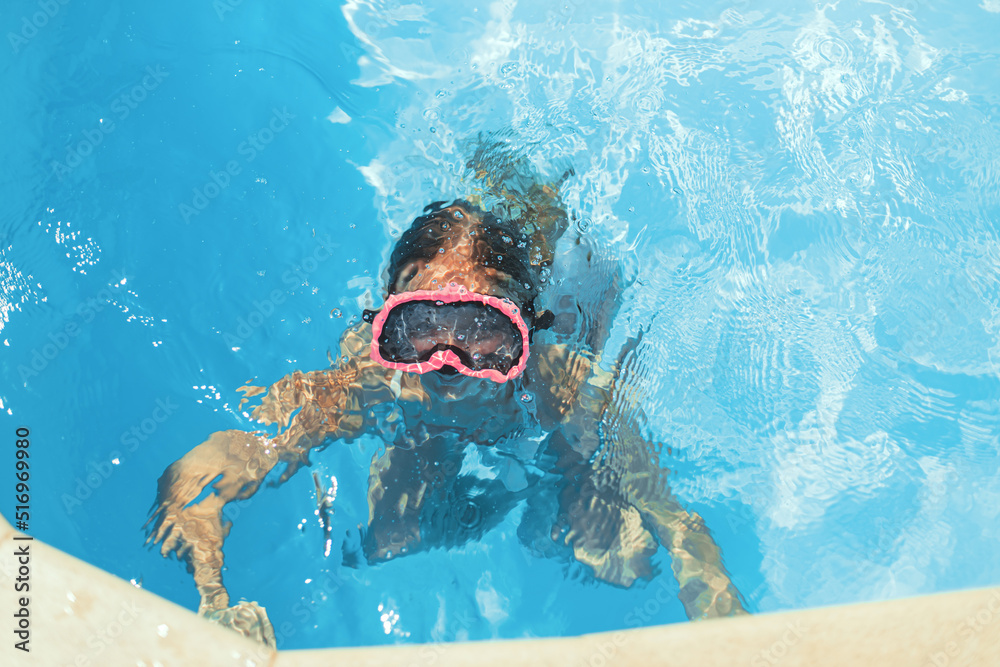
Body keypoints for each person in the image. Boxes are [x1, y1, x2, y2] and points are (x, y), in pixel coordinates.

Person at [146, 142, 746, 647]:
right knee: (391, 539)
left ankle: (533, 200)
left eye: (484, 333)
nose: (447, 364)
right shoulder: (373, 378)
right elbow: (218, 463)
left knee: (617, 555)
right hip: (421, 428)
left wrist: (721, 618)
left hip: (543, 401)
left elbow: (672, 517)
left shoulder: (561, 382)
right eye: (419, 330)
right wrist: (211, 592)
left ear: (525, 330)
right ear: (383, 321)